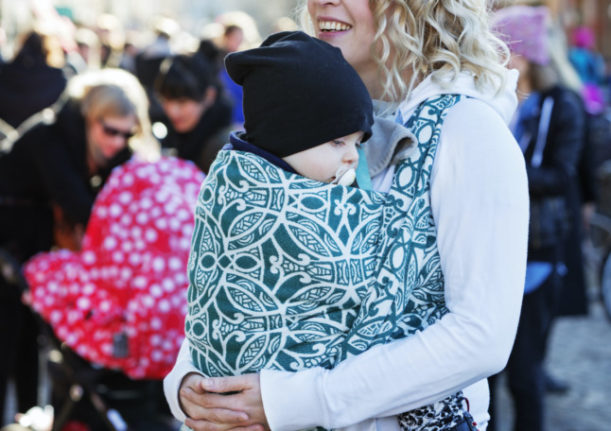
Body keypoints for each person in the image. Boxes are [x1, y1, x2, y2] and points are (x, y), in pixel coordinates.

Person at [164, 1, 529, 430]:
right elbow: (245, 268)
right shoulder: (307, 105)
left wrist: (299, 401)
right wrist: (192, 379)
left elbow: (480, 336)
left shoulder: (468, 130)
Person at [0, 68, 155, 425]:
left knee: (32, 344)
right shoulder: (49, 137)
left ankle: (27, 415)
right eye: (110, 131)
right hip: (9, 240)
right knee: (10, 339)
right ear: (89, 116)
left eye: (126, 133)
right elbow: (82, 207)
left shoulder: (92, 142)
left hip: (32, 245)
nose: (118, 142)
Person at [487, 6, 586, 431]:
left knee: (525, 373)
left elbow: (561, 176)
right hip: (489, 253)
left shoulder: (561, 104)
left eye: (499, 48)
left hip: (536, 254)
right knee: (483, 377)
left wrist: (497, 172)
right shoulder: (491, 98)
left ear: (521, 53)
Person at [154, 53, 232, 173]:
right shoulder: (166, 133)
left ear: (209, 96)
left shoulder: (224, 149)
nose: (172, 111)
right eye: (166, 100)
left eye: (182, 102)